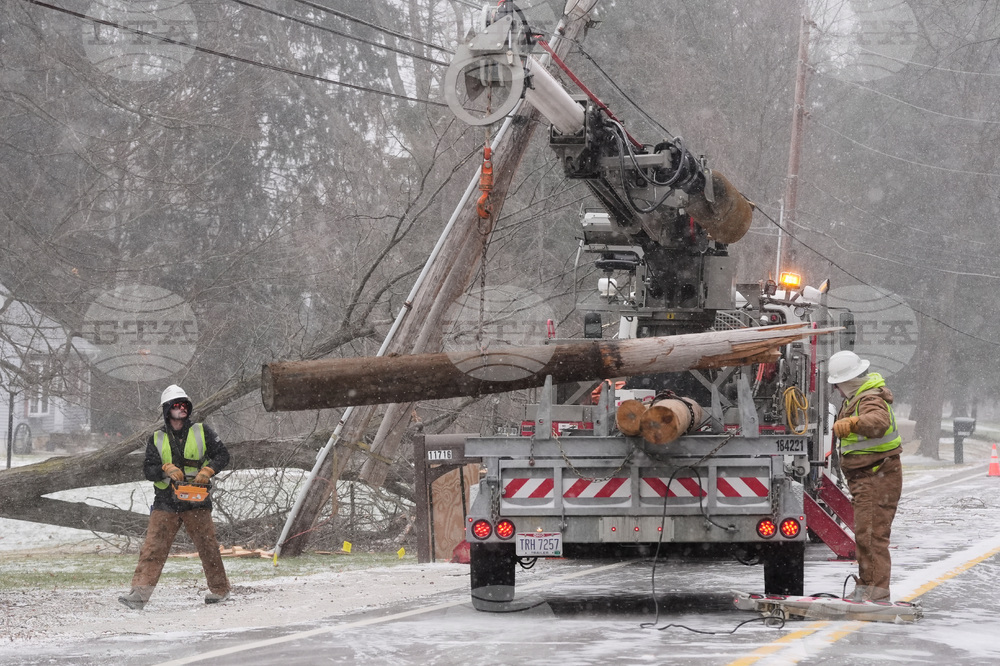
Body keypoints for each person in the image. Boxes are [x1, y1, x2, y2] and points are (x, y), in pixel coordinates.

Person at [118, 385, 232, 609]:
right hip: (166, 501)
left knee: (208, 546)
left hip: (196, 500)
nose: (182, 410)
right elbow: (148, 470)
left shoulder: (202, 431)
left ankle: (220, 590)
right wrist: (164, 471)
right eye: (177, 406)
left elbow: (222, 455)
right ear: (168, 410)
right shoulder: (157, 438)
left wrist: (208, 471)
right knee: (153, 548)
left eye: (184, 405)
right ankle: (139, 596)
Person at [827, 350, 903, 602]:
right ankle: (866, 590)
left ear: (847, 381)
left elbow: (878, 421)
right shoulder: (859, 398)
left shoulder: (869, 400)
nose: (836, 390)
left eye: (837, 384)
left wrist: (853, 423)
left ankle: (877, 594)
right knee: (866, 535)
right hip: (870, 477)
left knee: (871, 536)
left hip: (876, 476)